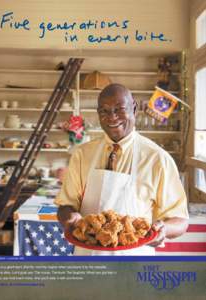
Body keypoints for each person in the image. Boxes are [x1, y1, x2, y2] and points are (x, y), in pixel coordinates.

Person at [54, 83, 189, 255]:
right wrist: (69, 217)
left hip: (135, 264)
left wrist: (163, 229)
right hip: (87, 260)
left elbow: (180, 220)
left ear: (134, 109)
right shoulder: (82, 155)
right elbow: (66, 205)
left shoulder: (157, 159)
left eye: (119, 109)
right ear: (98, 114)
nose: (112, 117)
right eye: (104, 111)